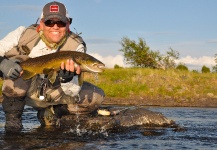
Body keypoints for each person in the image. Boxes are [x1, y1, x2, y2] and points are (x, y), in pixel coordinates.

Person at [0, 1, 105, 132]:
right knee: (20, 60)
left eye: (60, 23)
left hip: (54, 93)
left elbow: (72, 91)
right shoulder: (22, 34)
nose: (55, 27)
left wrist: (67, 79)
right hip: (23, 92)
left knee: (96, 96)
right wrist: (2, 63)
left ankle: (51, 113)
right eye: (50, 22)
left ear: (68, 24)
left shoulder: (76, 46)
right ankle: (13, 123)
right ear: (41, 23)